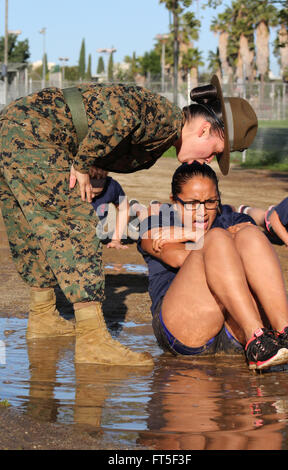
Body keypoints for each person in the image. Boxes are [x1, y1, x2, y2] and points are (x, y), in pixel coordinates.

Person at [0, 76, 257, 366]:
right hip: (37, 133)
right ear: (205, 129)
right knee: (75, 227)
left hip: (19, 128)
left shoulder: (163, 135)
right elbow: (117, 110)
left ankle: (43, 315)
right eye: (214, 152)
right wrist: (84, 161)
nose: (208, 160)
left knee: (29, 226)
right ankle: (92, 340)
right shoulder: (166, 118)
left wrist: (91, 158)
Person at [137, 161, 288, 370]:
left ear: (219, 199)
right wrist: (212, 236)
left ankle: (285, 332)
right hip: (185, 327)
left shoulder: (232, 218)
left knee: (250, 235)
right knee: (216, 239)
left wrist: (193, 234)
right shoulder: (157, 222)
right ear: (175, 202)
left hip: (233, 329)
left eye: (210, 202)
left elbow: (256, 249)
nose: (202, 212)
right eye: (192, 203)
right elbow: (176, 257)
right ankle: (256, 338)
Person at [89, 166, 129, 250]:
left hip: (93, 234)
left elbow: (124, 209)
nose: (92, 197)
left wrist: (116, 239)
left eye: (97, 194)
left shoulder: (111, 186)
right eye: (88, 193)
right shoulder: (67, 183)